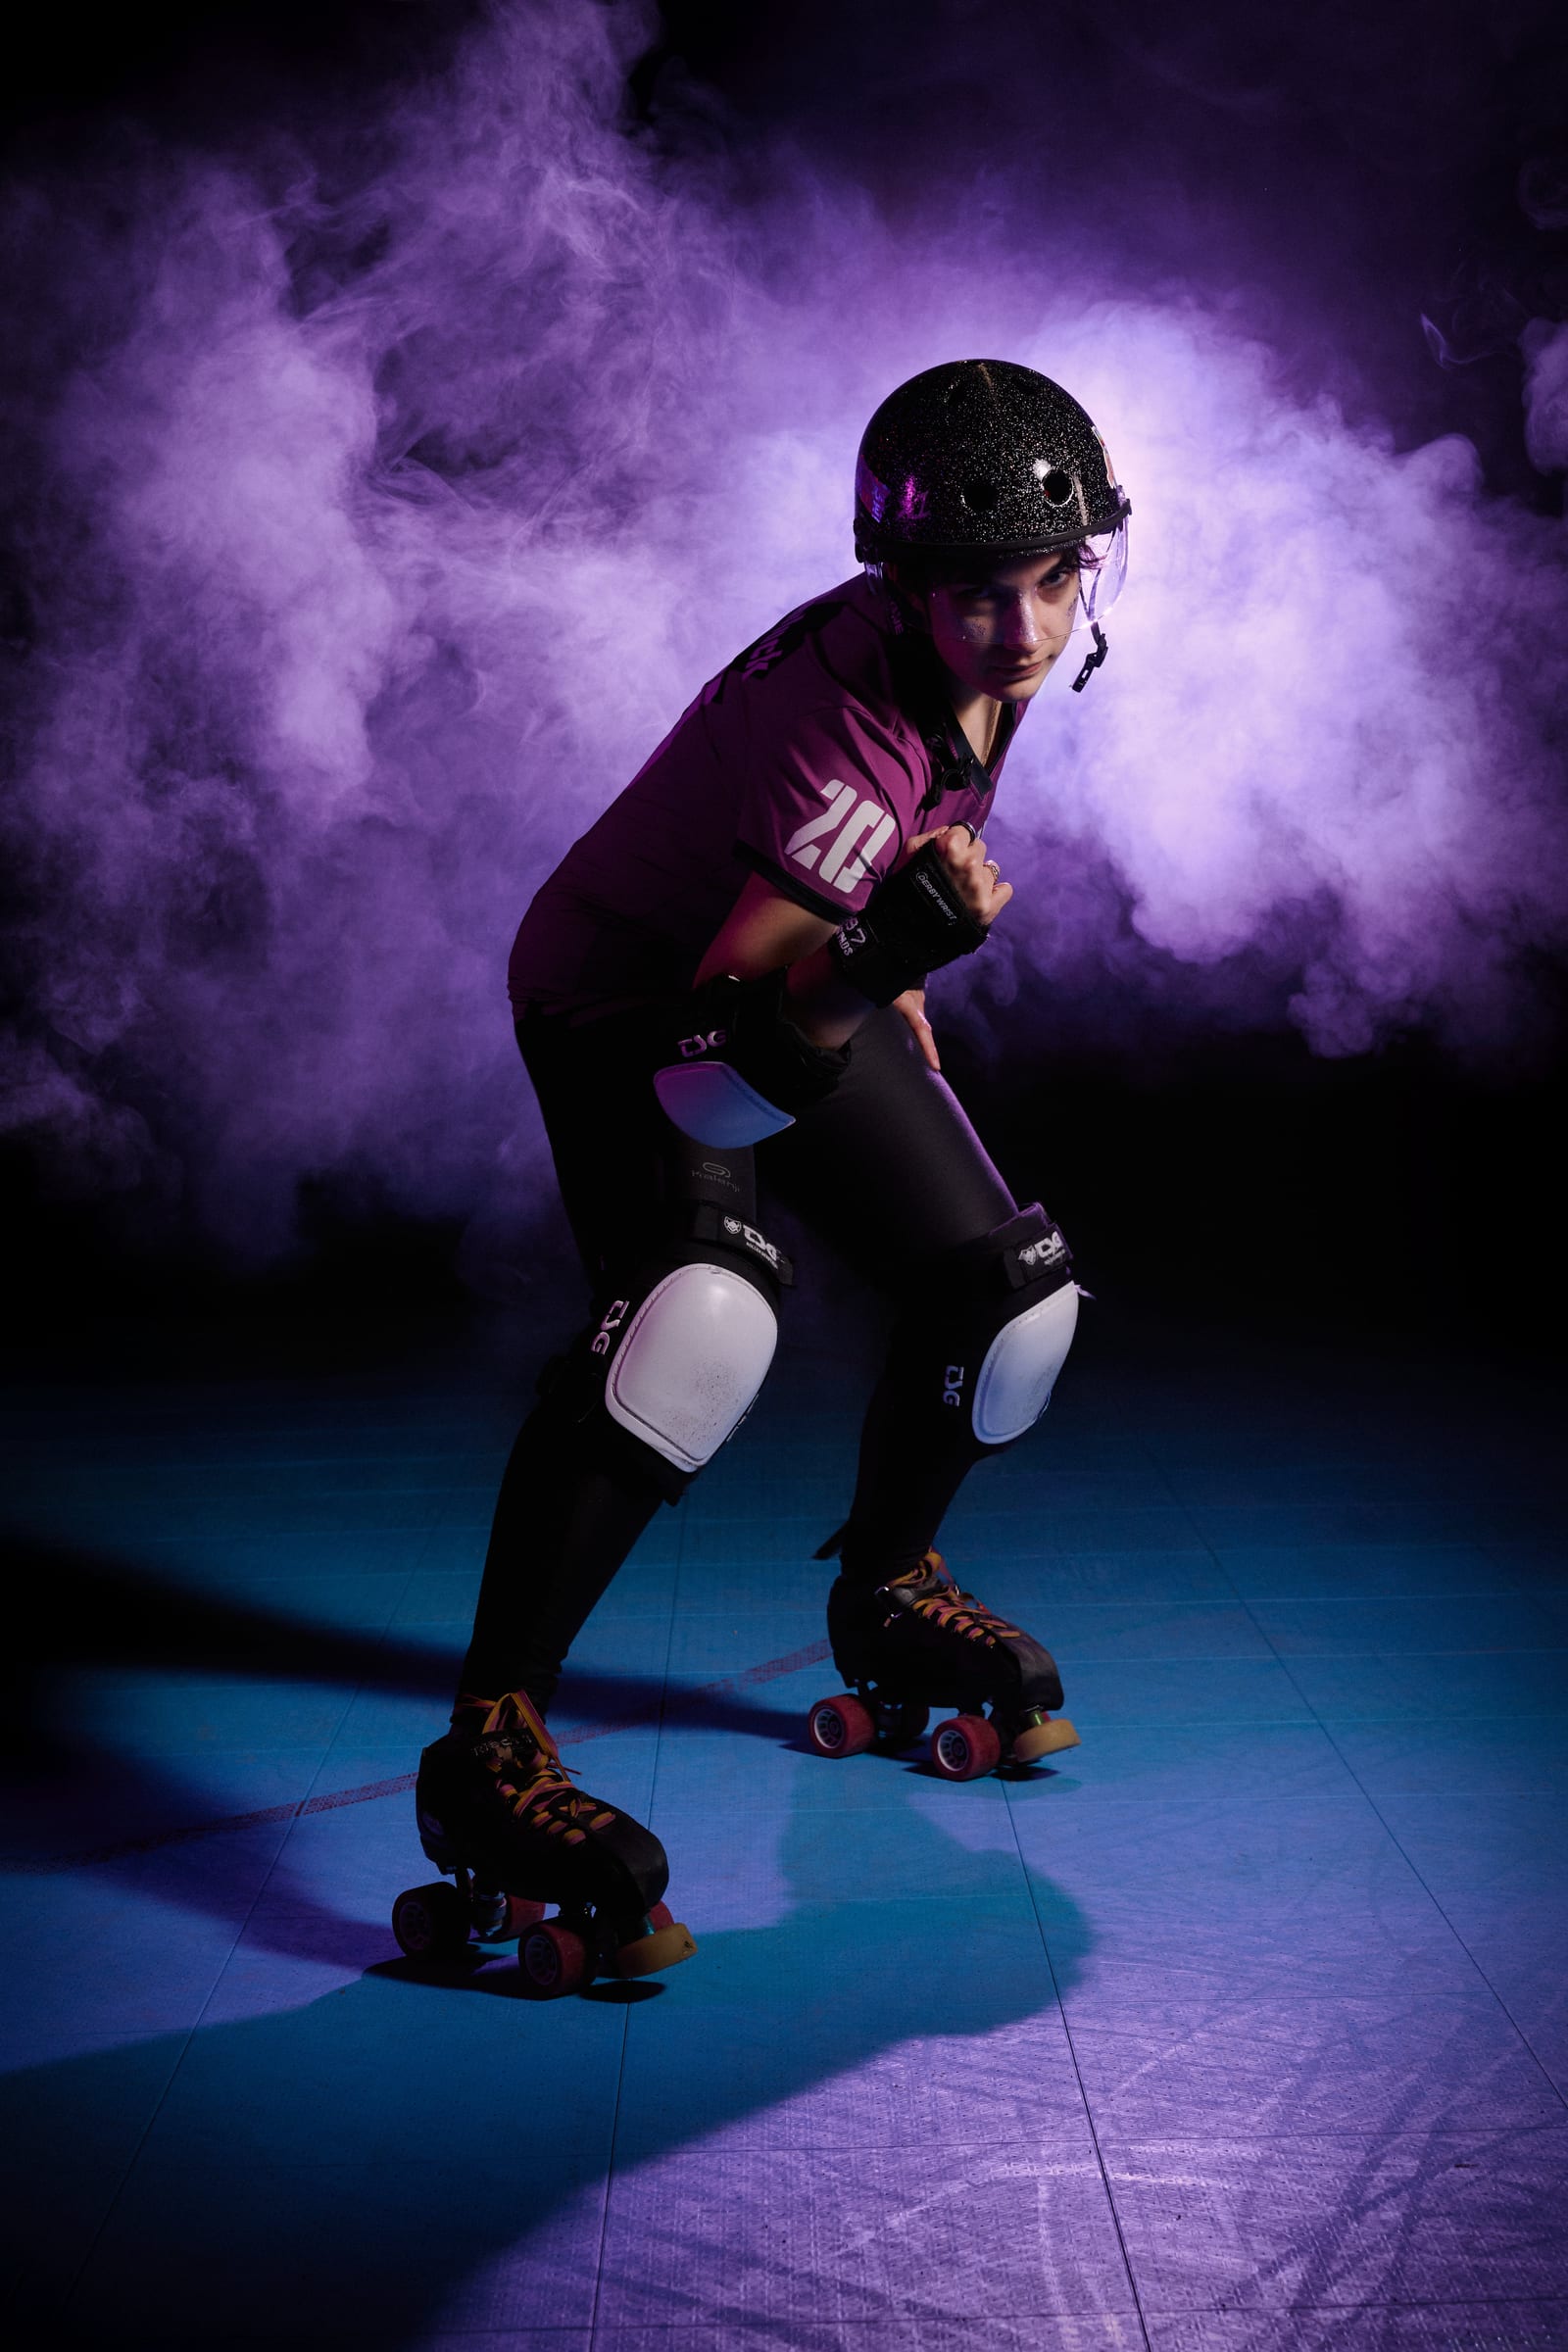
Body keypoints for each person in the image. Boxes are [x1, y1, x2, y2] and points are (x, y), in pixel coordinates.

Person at [393, 360, 1132, 1995]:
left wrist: (891, 965)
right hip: (637, 1003)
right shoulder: (844, 739)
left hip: (803, 963)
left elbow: (875, 873)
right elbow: (714, 1066)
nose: (1019, 626)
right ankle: (490, 1743)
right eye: (976, 594)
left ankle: (884, 1592)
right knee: (702, 1320)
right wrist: (888, 947)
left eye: (1052, 580)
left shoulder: (979, 661)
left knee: (1009, 1298)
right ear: (907, 590)